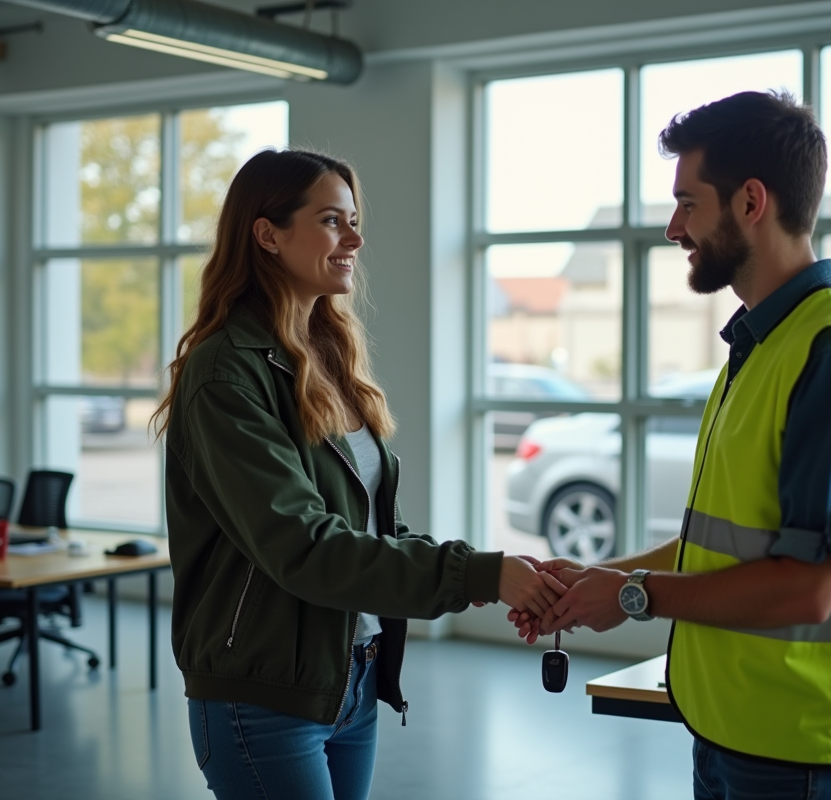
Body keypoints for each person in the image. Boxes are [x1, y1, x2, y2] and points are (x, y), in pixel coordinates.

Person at [513, 91, 831, 800]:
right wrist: (599, 582)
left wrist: (636, 596)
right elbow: (730, 547)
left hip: (803, 750)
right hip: (736, 731)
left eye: (688, 203)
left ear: (751, 202)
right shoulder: (763, 343)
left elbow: (807, 585)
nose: (674, 227)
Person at [154, 148, 563, 800]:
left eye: (352, 219)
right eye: (331, 220)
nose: (355, 238)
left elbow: (375, 529)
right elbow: (303, 547)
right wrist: (479, 574)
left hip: (355, 674)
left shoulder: (327, 360)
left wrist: (494, 573)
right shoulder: (226, 373)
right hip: (263, 694)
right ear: (268, 234)